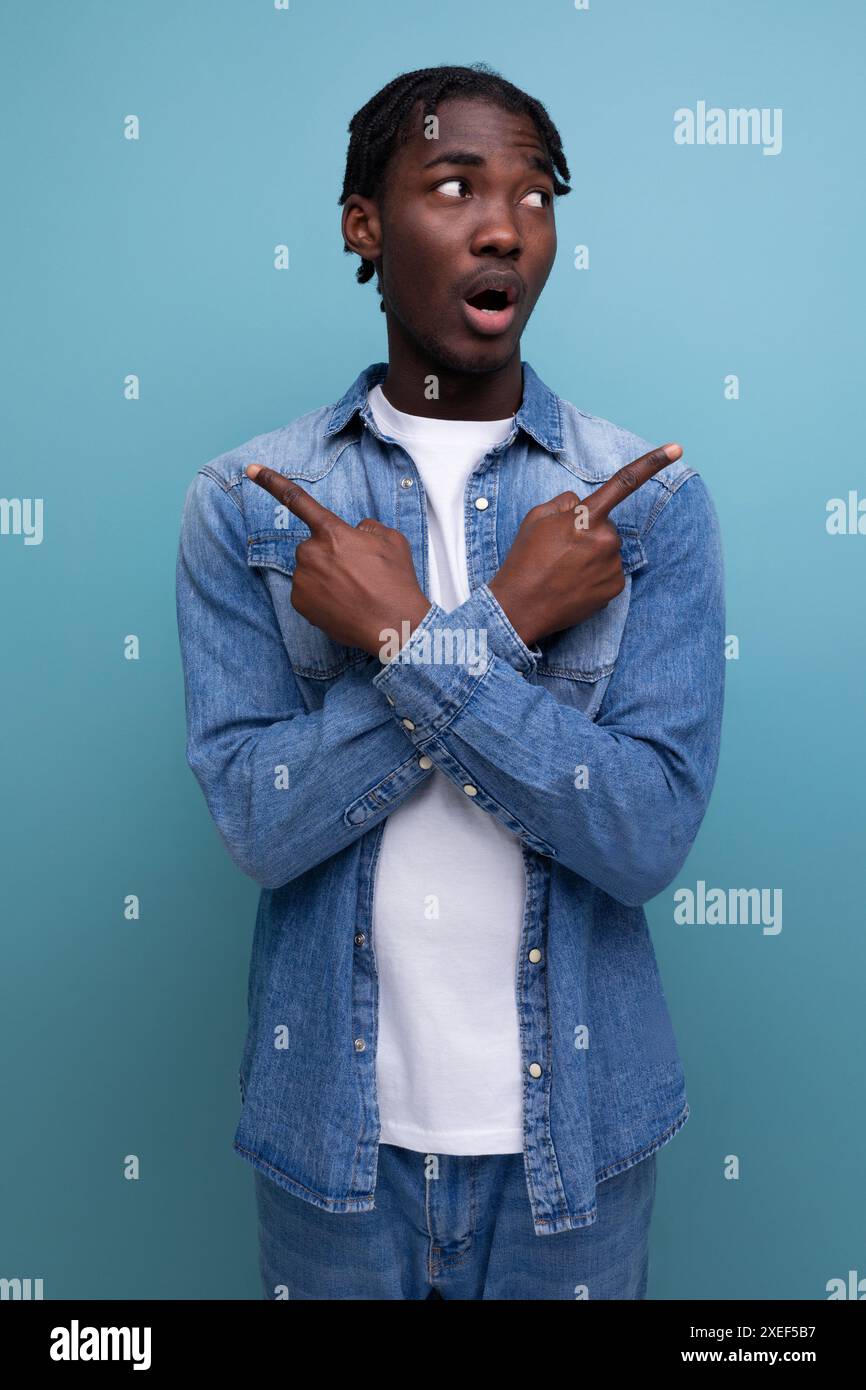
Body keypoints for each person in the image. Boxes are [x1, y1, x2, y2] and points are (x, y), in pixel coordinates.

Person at [175, 63, 725, 1300]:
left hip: (578, 1145)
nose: (502, 225)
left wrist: (423, 640)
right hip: (334, 1149)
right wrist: (507, 621)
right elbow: (260, 822)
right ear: (364, 227)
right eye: (455, 184)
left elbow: (641, 836)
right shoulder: (248, 508)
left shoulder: (648, 503)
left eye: (535, 196)